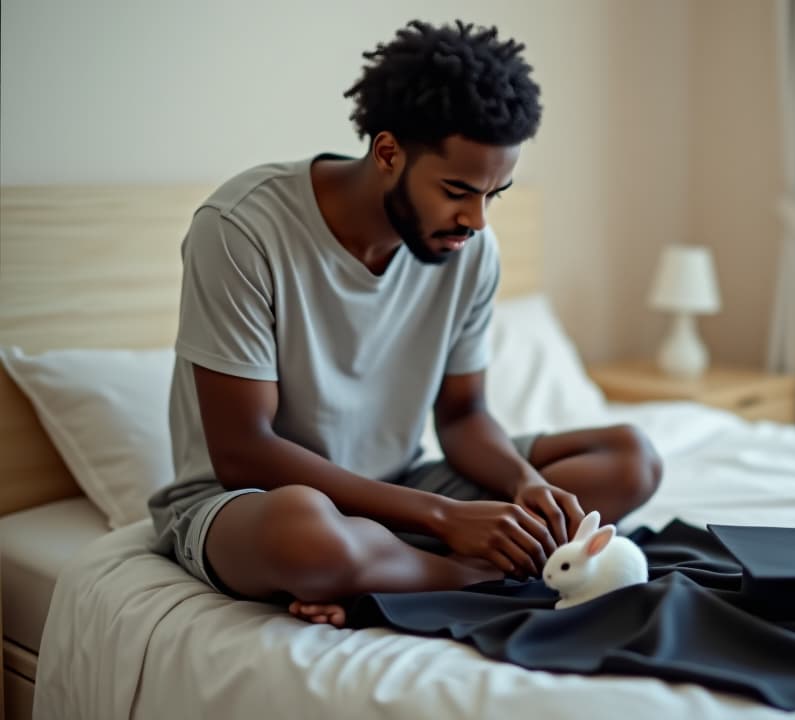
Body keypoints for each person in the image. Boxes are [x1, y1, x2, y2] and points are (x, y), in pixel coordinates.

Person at [148, 19, 662, 628]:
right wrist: (444, 519)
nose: (476, 220)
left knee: (631, 458)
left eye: (493, 195)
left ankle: (384, 569)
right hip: (252, 502)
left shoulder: (469, 249)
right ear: (388, 152)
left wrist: (524, 486)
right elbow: (243, 452)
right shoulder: (241, 229)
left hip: (401, 486)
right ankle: (475, 577)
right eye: (456, 190)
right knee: (305, 537)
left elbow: (464, 417)